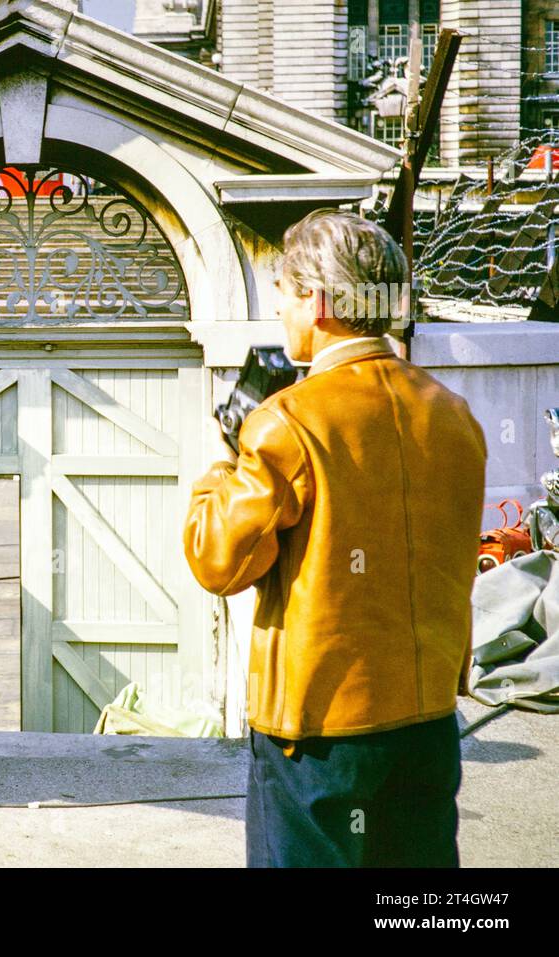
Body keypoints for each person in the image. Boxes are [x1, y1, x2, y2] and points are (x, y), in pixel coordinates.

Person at [183, 209, 487, 867]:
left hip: (318, 737)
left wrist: (225, 457)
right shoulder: (455, 415)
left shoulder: (286, 422)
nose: (282, 315)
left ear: (317, 302)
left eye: (286, 297)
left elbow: (218, 560)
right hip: (428, 719)